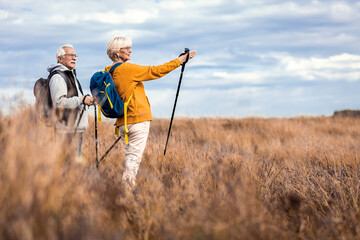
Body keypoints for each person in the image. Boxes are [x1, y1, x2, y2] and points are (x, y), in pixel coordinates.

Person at [105, 35, 197, 190]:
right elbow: (156, 71)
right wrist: (180, 61)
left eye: (130, 47)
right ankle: (125, 195)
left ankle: (125, 193)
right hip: (137, 120)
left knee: (130, 158)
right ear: (117, 52)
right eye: (126, 48)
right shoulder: (128, 69)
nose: (130, 51)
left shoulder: (108, 72)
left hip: (122, 122)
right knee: (133, 161)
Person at [47, 44, 95, 160]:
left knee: (73, 166)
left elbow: (75, 100)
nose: (74, 58)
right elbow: (59, 103)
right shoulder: (58, 77)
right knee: (69, 167)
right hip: (66, 131)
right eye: (71, 55)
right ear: (60, 58)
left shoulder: (70, 75)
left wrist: (85, 100)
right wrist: (82, 99)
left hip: (73, 130)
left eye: (75, 55)